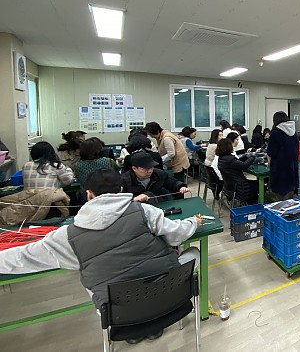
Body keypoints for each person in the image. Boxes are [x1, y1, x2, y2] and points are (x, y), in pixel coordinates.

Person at [0, 168, 201, 344]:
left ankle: (133, 326)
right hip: (169, 294)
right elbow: (177, 235)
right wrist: (193, 222)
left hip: (117, 310)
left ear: (89, 195)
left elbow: (23, 257)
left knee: (105, 286)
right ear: (121, 189)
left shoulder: (67, 236)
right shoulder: (143, 211)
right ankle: (154, 323)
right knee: (193, 253)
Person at [121, 152, 189, 203]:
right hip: (137, 209)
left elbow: (172, 182)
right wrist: (134, 199)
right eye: (145, 169)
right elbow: (120, 200)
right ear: (134, 168)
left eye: (151, 167)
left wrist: (180, 187)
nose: (150, 171)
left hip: (158, 204)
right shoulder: (124, 180)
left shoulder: (159, 174)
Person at [266, 112, 299, 200]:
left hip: (280, 171)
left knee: (281, 200)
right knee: (289, 199)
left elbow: (271, 152)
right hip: (292, 170)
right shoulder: (294, 133)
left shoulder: (275, 134)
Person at [216, 138, 258, 204]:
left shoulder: (222, 158)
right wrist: (252, 157)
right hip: (240, 187)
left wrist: (245, 157)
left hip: (230, 187)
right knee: (258, 185)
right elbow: (244, 165)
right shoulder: (229, 159)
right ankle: (253, 205)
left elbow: (236, 163)